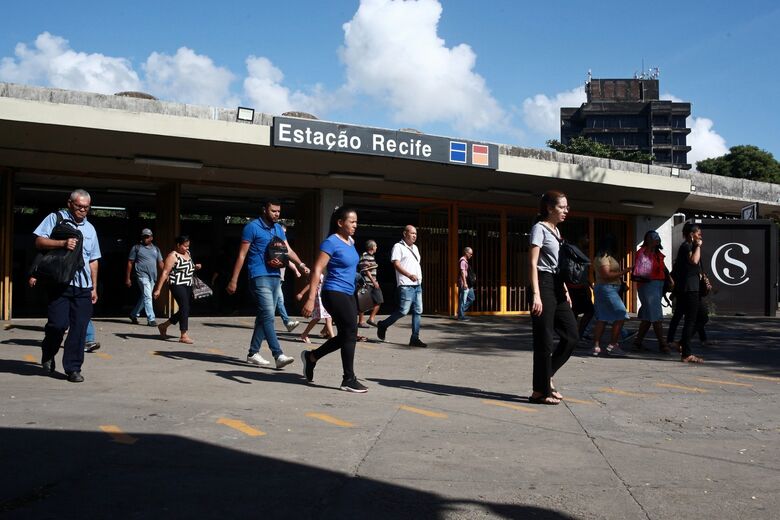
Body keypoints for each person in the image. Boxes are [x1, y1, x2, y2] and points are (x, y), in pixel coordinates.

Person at [227, 199, 309, 369]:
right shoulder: (252, 227)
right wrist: (234, 279)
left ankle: (253, 353)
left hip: (275, 276)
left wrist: (301, 264)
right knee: (268, 316)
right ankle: (278, 354)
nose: (276, 214)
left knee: (264, 316)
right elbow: (242, 255)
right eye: (273, 211)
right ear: (264, 210)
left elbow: (288, 250)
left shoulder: (278, 228)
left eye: (279, 211)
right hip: (258, 276)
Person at [33, 189, 101, 383]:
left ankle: (73, 368)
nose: (83, 210)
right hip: (60, 283)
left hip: (83, 287)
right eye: (79, 206)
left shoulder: (91, 229)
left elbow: (94, 260)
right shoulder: (55, 219)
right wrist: (62, 243)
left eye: (86, 208)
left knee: (79, 329)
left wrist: (94, 287)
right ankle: (48, 351)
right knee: (57, 324)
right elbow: (39, 241)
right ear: (70, 204)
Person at [301, 207, 367, 392]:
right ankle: (348, 378)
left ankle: (311, 357)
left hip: (349, 292)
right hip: (333, 292)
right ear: (340, 222)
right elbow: (317, 269)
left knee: (348, 334)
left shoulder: (350, 242)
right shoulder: (330, 242)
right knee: (350, 333)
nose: (355, 225)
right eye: (352, 221)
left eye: (356, 221)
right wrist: (310, 298)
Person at [528, 190, 578, 405]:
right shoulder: (539, 229)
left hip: (557, 285)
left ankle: (546, 377)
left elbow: (560, 264)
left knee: (571, 335)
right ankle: (540, 391)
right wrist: (536, 294)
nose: (566, 211)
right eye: (562, 207)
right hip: (543, 284)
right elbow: (532, 263)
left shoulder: (556, 231)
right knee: (544, 340)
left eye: (567, 207)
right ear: (549, 208)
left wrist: (565, 288)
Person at [376, 225, 426, 347]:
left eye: (416, 233)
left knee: (418, 311)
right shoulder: (398, 247)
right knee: (403, 311)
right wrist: (409, 275)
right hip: (406, 284)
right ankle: (383, 324)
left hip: (417, 284)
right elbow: (396, 264)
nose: (415, 235)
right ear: (405, 234)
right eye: (412, 233)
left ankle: (415, 338)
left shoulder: (415, 248)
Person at [153, 235, 201, 344]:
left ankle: (164, 326)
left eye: (188, 246)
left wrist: (195, 267)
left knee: (186, 308)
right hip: (177, 284)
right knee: (184, 306)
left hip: (188, 284)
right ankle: (183, 335)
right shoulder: (172, 256)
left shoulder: (188, 254)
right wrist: (158, 289)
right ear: (178, 245)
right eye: (185, 246)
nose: (187, 248)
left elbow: (188, 268)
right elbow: (165, 272)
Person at [591, 234, 631, 357]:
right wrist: (625, 271)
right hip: (607, 288)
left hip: (605, 288)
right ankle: (613, 344)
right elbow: (606, 275)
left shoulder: (603, 257)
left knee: (602, 317)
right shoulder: (603, 257)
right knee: (621, 314)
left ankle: (596, 346)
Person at [632, 230, 672, 354]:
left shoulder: (657, 253)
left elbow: (663, 268)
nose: (656, 238)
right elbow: (642, 268)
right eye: (653, 237)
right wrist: (649, 247)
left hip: (658, 285)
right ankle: (662, 344)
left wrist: (670, 278)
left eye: (657, 236)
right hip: (648, 285)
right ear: (647, 239)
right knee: (656, 316)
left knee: (648, 317)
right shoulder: (642, 252)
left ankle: (638, 342)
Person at [671, 223, 706, 363]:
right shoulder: (686, 246)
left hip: (694, 288)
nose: (700, 235)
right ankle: (686, 353)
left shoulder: (690, 246)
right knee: (690, 320)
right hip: (688, 289)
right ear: (692, 234)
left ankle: (682, 342)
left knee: (703, 317)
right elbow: (694, 261)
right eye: (698, 233)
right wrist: (698, 246)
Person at [126, 228, 164, 327]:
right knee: (148, 296)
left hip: (153, 277)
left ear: (151, 237)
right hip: (142, 276)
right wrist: (128, 278)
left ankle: (133, 314)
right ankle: (151, 318)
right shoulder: (136, 248)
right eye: (144, 237)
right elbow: (130, 263)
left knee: (145, 297)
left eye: (148, 236)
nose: (146, 238)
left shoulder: (156, 249)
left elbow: (160, 263)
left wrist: (166, 274)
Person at [567, 235, 594, 340]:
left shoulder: (580, 251)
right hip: (576, 286)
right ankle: (575, 336)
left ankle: (576, 336)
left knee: (584, 311)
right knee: (582, 312)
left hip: (579, 286)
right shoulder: (575, 252)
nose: (589, 240)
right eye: (586, 237)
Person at [276, 223, 301, 333]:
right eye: (283, 232)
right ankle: (287, 322)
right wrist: (297, 268)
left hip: (279, 278)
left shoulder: (281, 245)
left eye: (285, 233)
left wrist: (297, 268)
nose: (284, 235)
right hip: (274, 277)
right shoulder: (275, 244)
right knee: (279, 300)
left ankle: (263, 326)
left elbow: (286, 258)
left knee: (273, 303)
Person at [295, 274, 334, 343]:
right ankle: (333, 338)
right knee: (326, 317)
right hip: (320, 299)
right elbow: (310, 284)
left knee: (320, 318)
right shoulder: (319, 274)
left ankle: (304, 334)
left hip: (325, 298)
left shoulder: (329, 273)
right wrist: (301, 293)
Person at [357, 240, 383, 328]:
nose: (376, 248)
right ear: (372, 247)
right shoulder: (365, 256)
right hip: (367, 283)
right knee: (363, 302)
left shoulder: (372, 257)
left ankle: (371, 319)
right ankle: (361, 321)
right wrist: (373, 281)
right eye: (375, 246)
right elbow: (365, 270)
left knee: (379, 300)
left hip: (373, 282)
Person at [457, 247, 475, 321]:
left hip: (468, 283)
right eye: (470, 254)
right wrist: (464, 283)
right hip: (464, 283)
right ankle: (461, 315)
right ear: (466, 253)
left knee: (472, 298)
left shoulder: (465, 261)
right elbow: (462, 273)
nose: (471, 255)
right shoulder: (463, 261)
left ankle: (460, 311)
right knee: (462, 299)